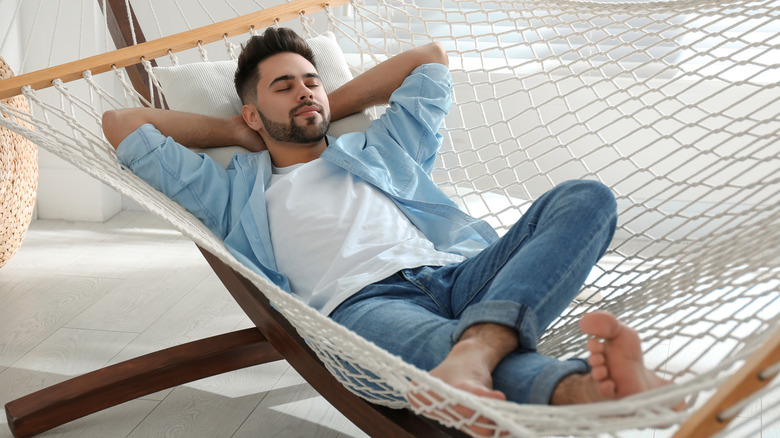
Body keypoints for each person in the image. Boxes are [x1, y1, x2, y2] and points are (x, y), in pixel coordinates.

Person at [102, 27, 672, 424]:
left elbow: (428, 59)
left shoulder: (380, 147)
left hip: (456, 275)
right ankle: (590, 390)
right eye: (285, 86)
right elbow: (122, 124)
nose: (304, 88)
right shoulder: (233, 191)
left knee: (585, 197)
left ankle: (475, 351)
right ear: (252, 112)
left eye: (311, 80)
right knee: (433, 346)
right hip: (362, 308)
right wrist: (236, 132)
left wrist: (318, 105)